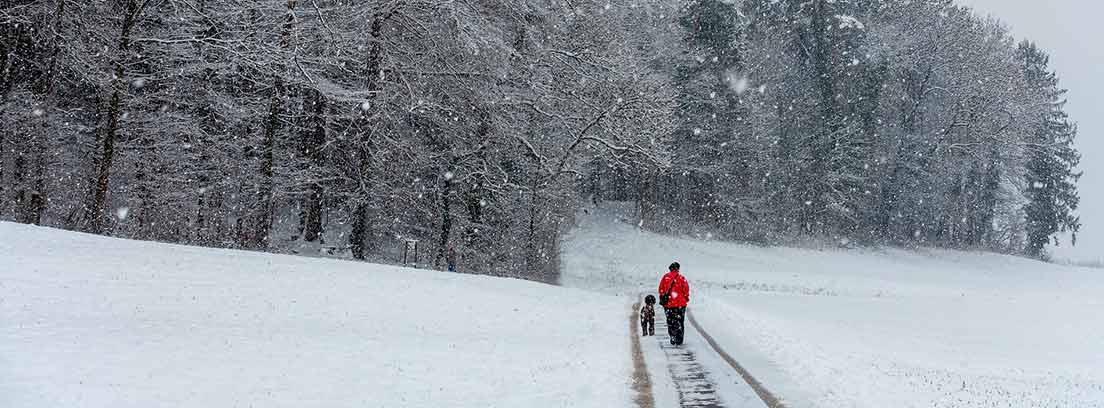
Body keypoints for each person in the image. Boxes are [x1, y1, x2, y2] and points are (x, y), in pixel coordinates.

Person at [658, 262, 690, 345]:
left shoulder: (665, 277)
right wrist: (686, 298)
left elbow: (660, 289)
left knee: (670, 321)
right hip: (680, 304)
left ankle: (672, 335)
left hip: (669, 304)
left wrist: (664, 297)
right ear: (678, 269)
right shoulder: (681, 278)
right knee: (680, 321)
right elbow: (686, 289)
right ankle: (679, 339)